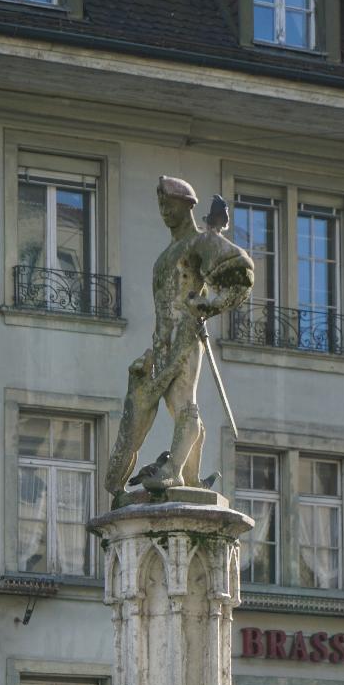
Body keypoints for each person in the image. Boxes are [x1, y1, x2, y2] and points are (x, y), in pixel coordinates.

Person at [104, 175, 254, 503]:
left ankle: (174, 470)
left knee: (184, 402)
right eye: (160, 205)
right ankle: (185, 476)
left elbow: (241, 275)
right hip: (161, 342)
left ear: (187, 206)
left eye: (169, 205)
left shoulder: (199, 243)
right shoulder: (165, 256)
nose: (163, 211)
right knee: (152, 406)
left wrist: (209, 304)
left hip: (185, 333)